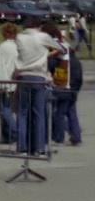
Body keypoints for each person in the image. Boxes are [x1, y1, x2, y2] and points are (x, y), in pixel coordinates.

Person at [14, 19, 62, 156]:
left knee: (22, 112)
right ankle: (39, 147)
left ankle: (22, 146)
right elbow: (59, 48)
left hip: (23, 75)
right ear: (38, 26)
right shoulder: (42, 36)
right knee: (38, 113)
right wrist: (45, 55)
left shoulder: (20, 37)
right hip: (38, 75)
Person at [51, 41, 82, 147]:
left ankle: (59, 138)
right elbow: (79, 78)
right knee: (72, 114)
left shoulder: (64, 62)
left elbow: (60, 76)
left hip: (65, 90)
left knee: (59, 114)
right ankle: (76, 136)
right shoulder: (76, 61)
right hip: (72, 91)